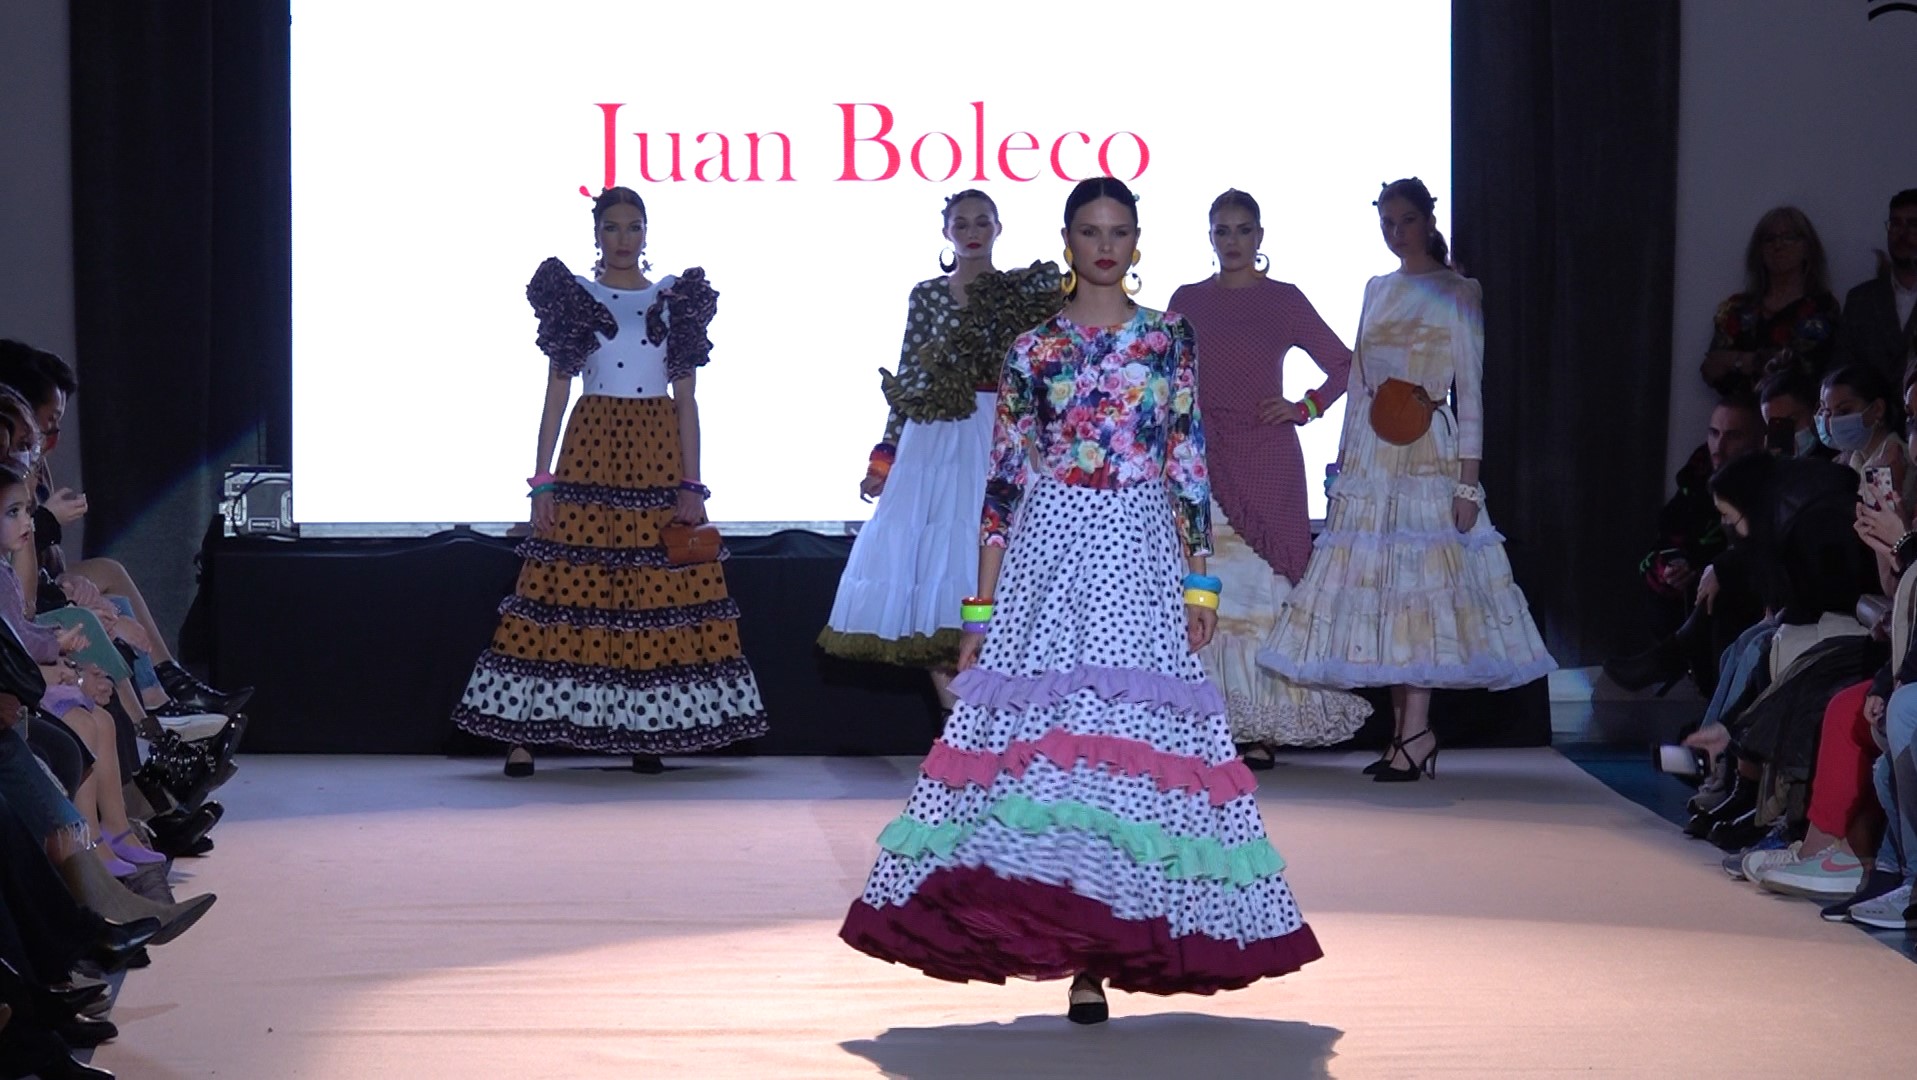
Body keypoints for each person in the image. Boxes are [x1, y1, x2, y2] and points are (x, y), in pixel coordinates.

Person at [839, 177, 1322, 1024]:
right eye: (1090, 231)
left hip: (1138, 555)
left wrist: (1199, 580)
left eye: (1120, 231)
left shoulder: (1169, 338)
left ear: (1137, 242)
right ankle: (1071, 943)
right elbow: (1001, 486)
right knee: (1048, 748)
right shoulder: (1032, 349)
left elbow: (1185, 462)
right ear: (1067, 241)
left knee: (1127, 745)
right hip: (1047, 557)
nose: (1105, 244)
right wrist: (979, 616)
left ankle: (1104, 945)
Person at [453, 187, 767, 776]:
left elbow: (688, 401)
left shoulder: (677, 298)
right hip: (592, 444)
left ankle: (645, 728)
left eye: (634, 227)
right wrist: (542, 479)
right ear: (596, 233)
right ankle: (521, 735)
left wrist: (691, 484)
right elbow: (556, 389)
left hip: (654, 446)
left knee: (649, 590)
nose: (624, 238)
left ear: (647, 232)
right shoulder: (575, 297)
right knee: (561, 584)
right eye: (613, 228)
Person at [1259, 178, 1556, 781]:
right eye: (1386, 222)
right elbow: (1361, 382)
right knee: (1387, 592)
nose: (1396, 233)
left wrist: (1468, 483)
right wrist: (1343, 465)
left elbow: (1470, 391)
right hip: (1374, 452)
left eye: (1405, 220)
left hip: (1428, 453)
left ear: (1427, 221)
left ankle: (1416, 733)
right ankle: (1404, 735)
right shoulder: (1377, 288)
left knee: (1421, 588)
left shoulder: (1458, 290)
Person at [818, 191, 1061, 706]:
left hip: (999, 435)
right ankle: (956, 724)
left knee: (998, 570)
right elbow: (909, 372)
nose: (972, 231)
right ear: (945, 230)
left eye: (982, 222)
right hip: (933, 438)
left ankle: (986, 725)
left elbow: (1041, 377)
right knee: (931, 578)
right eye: (961, 223)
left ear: (999, 227)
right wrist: (885, 457)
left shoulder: (1021, 294)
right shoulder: (926, 296)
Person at [1167, 189, 1370, 763]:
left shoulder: (1283, 300)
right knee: (1207, 583)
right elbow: (1165, 375)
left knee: (1261, 586)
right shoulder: (1188, 301)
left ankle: (1261, 728)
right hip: (1203, 454)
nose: (1233, 241)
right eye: (1222, 231)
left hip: (1266, 455)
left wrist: (1304, 407)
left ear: (1260, 237)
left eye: (1243, 230)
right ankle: (1207, 721)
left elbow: (1345, 363)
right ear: (1210, 238)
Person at [1698, 207, 1841, 397]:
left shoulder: (1822, 307)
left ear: (1808, 248)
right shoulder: (1736, 309)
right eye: (1769, 239)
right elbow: (1711, 369)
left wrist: (1737, 361)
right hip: (1736, 420)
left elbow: (1803, 369)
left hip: (1798, 420)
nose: (1778, 245)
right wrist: (1762, 361)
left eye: (1789, 236)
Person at [1834, 189, 1917, 385]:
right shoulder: (1860, 300)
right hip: (1871, 411)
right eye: (1895, 224)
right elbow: (1840, 370)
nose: (1902, 234)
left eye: (1913, 225)